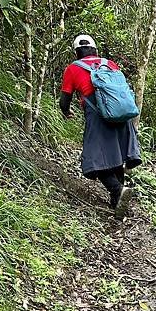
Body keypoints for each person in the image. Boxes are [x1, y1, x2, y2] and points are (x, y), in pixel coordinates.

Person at [59, 35, 142, 219]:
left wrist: (66, 112)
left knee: (96, 160)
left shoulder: (73, 69)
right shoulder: (109, 64)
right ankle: (117, 203)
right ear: (94, 50)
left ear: (76, 52)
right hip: (122, 116)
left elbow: (64, 100)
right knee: (116, 156)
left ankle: (118, 190)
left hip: (98, 117)